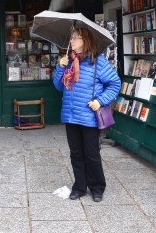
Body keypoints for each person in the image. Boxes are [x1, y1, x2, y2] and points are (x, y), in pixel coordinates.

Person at [53, 27, 121, 202]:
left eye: (76, 38)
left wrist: (101, 100)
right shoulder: (67, 62)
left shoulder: (98, 62)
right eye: (71, 38)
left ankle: (97, 187)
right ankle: (79, 187)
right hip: (70, 115)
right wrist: (60, 68)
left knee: (91, 153)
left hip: (89, 116)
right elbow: (59, 86)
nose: (71, 41)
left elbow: (115, 84)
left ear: (85, 40)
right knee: (75, 153)